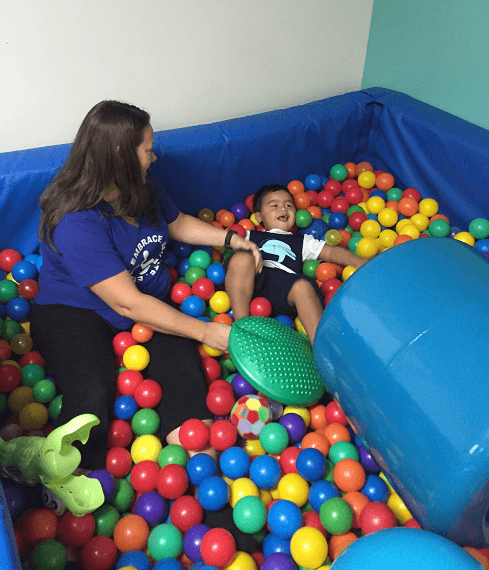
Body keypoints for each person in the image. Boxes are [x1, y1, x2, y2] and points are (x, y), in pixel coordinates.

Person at [30, 100, 262, 470]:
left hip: (148, 304)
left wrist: (234, 239)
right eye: (147, 150)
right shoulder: (75, 219)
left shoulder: (139, 185)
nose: (153, 158)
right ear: (120, 155)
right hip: (75, 312)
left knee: (190, 407)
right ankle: (72, 481)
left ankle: (200, 480)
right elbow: (128, 305)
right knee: (91, 397)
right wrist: (205, 331)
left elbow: (178, 223)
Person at [225, 184, 367, 342]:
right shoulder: (248, 236)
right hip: (254, 279)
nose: (283, 209)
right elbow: (221, 239)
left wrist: (359, 262)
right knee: (242, 259)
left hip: (283, 289)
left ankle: (322, 350)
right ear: (259, 217)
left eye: (288, 205)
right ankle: (242, 329)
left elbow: (330, 252)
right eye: (274, 206)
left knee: (303, 286)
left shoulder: (301, 241)